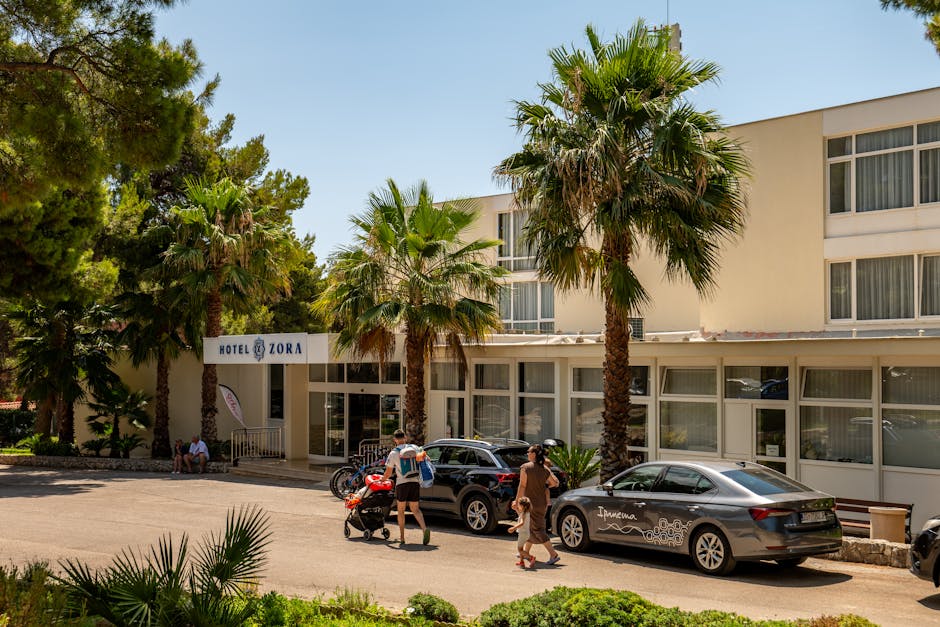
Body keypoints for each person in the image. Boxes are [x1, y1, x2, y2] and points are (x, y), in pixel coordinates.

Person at [514, 444, 560, 565]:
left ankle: (553, 555)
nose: (527, 454)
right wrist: (544, 485)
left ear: (534, 454)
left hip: (530, 504)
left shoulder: (525, 467)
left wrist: (517, 501)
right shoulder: (545, 469)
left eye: (529, 452)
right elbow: (555, 483)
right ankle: (523, 553)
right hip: (542, 504)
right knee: (530, 528)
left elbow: (522, 485)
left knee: (538, 530)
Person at [382, 429, 430, 545]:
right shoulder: (415, 448)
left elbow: (388, 473)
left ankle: (402, 538)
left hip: (402, 484)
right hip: (415, 482)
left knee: (401, 511)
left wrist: (382, 479)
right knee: (416, 510)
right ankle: (424, 529)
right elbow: (426, 459)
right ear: (405, 438)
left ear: (395, 440)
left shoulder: (394, 453)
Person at [508, 495, 534, 568]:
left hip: (523, 534)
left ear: (523, 506)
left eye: (519, 505)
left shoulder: (524, 514)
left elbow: (522, 522)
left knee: (520, 550)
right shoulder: (526, 513)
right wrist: (516, 509)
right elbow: (520, 515)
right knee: (521, 548)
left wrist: (513, 528)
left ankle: (531, 558)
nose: (518, 506)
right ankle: (521, 562)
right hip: (525, 533)